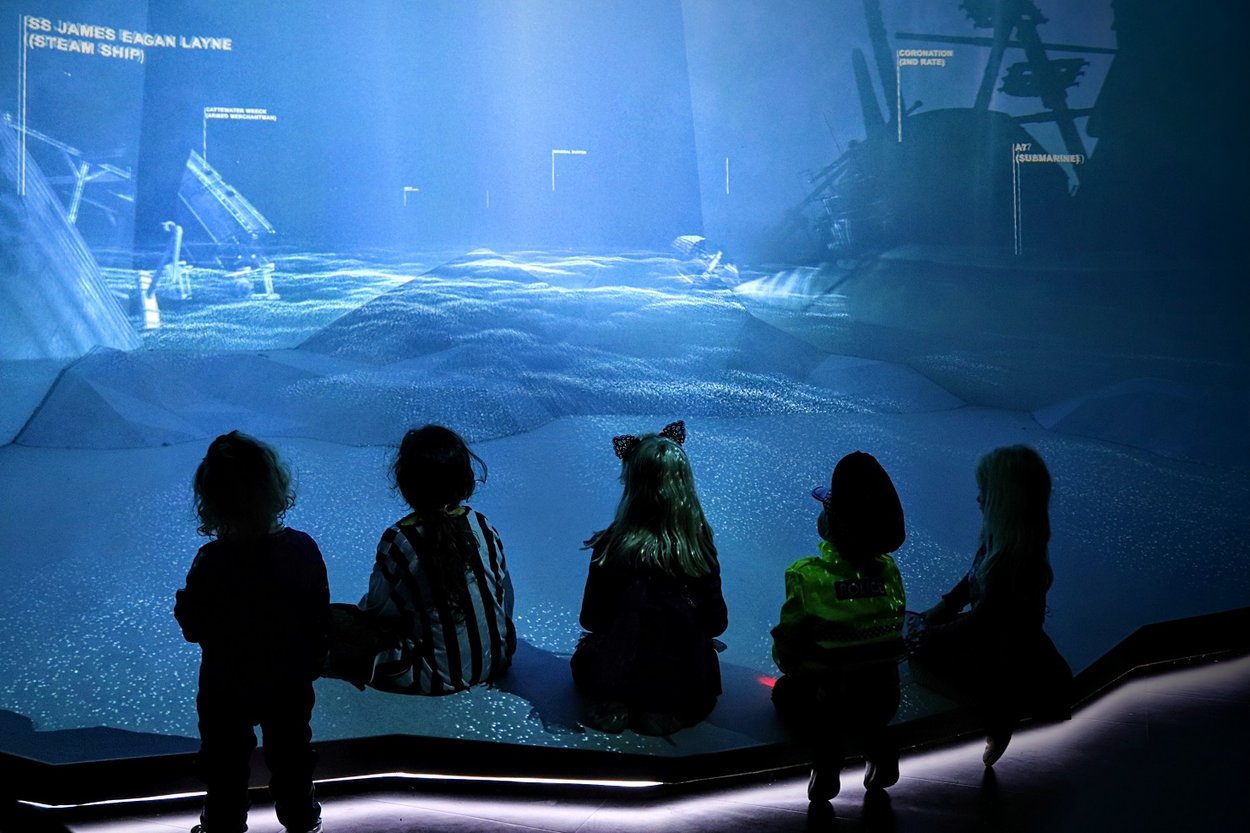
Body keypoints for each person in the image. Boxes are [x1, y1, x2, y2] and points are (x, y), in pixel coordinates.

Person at [174, 431, 329, 833]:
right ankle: (303, 822)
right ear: (274, 487)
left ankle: (221, 826)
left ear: (211, 499)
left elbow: (194, 628)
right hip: (289, 683)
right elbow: (317, 616)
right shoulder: (303, 548)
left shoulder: (210, 560)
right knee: (293, 756)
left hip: (226, 687)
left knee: (224, 763)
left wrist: (184, 606)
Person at [909, 444, 1072, 767]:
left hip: (1002, 653)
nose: (978, 498)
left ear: (1004, 500)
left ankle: (998, 714)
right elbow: (969, 584)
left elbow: (984, 622)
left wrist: (932, 634)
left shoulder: (1014, 560)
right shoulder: (1000, 543)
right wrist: (937, 613)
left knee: (921, 659)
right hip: (1001, 639)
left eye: (984, 491)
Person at [571, 420, 728, 736]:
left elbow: (591, 618)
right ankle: (664, 709)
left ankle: (615, 704)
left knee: (591, 653)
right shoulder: (699, 546)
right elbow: (716, 623)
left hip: (617, 671)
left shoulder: (610, 545)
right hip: (683, 683)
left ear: (631, 484)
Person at [770, 451, 907, 802]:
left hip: (828, 700)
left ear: (832, 523)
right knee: (865, 701)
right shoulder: (890, 571)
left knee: (785, 692)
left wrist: (792, 665)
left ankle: (827, 759)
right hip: (883, 698)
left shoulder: (807, 574)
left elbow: (788, 644)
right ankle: (877, 745)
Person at [354, 424, 516, 694]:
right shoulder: (482, 525)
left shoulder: (400, 539)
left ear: (405, 483)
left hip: (432, 676)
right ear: (465, 478)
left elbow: (377, 610)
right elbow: (504, 593)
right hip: (497, 660)